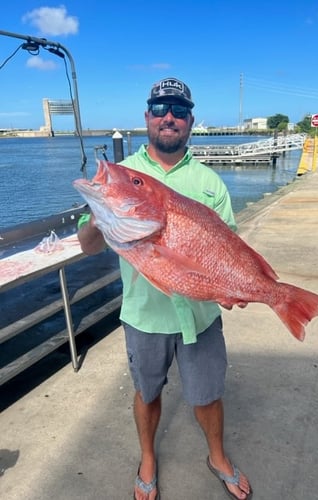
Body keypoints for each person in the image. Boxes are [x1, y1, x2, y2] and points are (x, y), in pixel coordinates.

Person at [77, 77, 252, 500]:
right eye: (159, 109)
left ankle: (217, 456)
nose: (168, 117)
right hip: (144, 316)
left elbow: (228, 244)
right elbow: (86, 244)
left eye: (178, 110)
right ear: (147, 117)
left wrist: (234, 284)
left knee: (208, 395)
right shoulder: (124, 176)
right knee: (147, 391)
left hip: (202, 314)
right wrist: (105, 214)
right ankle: (148, 459)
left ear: (190, 121)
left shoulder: (211, 182)